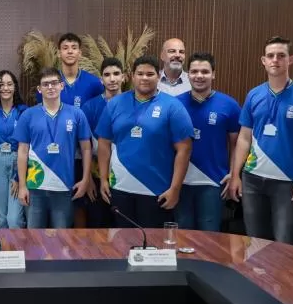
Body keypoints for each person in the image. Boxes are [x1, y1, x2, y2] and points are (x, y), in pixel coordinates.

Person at [227, 37, 293, 245]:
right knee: (255, 242)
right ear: (263, 60)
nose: (275, 60)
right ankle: (256, 279)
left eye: (281, 55)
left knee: (284, 244)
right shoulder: (254, 94)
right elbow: (244, 138)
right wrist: (235, 175)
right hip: (252, 179)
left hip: (287, 182)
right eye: (270, 56)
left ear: (291, 60)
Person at [96, 55, 193, 228]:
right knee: (121, 243)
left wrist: (175, 189)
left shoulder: (173, 106)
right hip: (120, 188)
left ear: (158, 76)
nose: (144, 78)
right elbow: (103, 143)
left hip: (157, 191)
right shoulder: (115, 104)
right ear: (132, 76)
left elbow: (184, 149)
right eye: (140, 74)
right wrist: (103, 179)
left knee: (153, 248)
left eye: (150, 74)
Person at [15, 67, 92, 228]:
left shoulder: (77, 114)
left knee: (62, 239)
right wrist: (22, 185)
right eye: (45, 84)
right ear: (39, 89)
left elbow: (86, 149)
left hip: (64, 186)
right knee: (35, 239)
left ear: (62, 86)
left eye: (54, 83)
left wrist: (85, 180)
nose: (50, 87)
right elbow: (22, 152)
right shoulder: (28, 115)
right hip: (35, 185)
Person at [175, 53, 241, 232]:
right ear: (187, 74)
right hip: (180, 182)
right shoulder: (175, 104)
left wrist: (235, 173)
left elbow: (237, 144)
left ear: (213, 74)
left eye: (205, 71)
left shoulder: (229, 105)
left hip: (213, 181)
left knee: (209, 238)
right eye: (194, 71)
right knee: (182, 235)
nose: (199, 76)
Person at [81, 57, 125, 227]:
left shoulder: (133, 103)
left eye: (116, 74)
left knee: (122, 228)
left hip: (125, 176)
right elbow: (85, 146)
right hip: (97, 176)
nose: (112, 79)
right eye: (107, 75)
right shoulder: (90, 107)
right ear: (101, 80)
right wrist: (89, 180)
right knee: (98, 227)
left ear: (124, 77)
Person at [0, 71, 27, 229]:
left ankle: (20, 251)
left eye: (9, 84)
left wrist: (18, 176)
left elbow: (27, 145)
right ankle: (2, 252)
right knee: (1, 218)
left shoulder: (23, 112)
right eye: (1, 84)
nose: (6, 88)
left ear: (15, 87)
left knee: (13, 219)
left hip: (17, 161)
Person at [34, 33, 103, 108]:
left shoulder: (94, 83)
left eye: (74, 48)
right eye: (65, 48)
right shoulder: (48, 84)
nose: (70, 51)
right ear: (59, 53)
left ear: (80, 53)